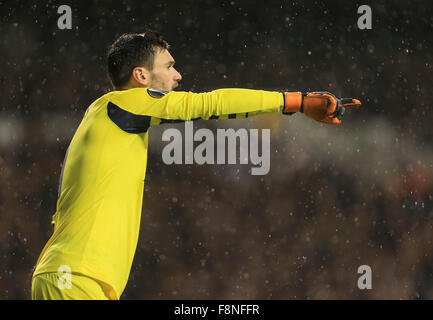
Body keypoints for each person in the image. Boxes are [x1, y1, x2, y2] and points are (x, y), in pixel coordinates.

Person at [31, 30, 361, 300]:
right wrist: (297, 102)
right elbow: (210, 104)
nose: (178, 75)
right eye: (169, 66)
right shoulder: (125, 103)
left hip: (77, 278)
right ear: (141, 75)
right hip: (74, 279)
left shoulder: (113, 116)